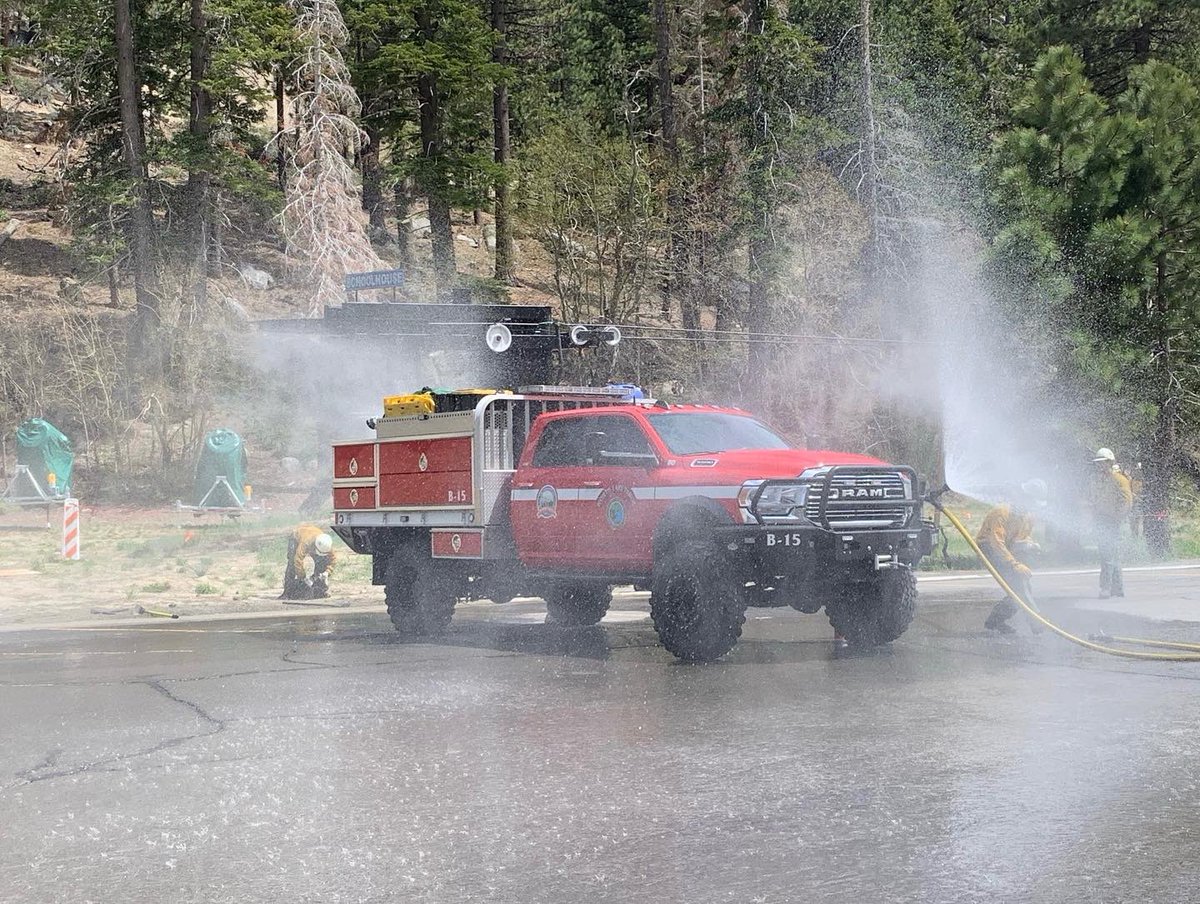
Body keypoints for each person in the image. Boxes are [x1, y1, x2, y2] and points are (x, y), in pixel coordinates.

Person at [977, 479, 1047, 635]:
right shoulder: (1002, 512)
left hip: (1006, 548)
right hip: (989, 548)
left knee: (1021, 587)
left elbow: (1021, 538)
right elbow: (996, 542)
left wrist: (1031, 545)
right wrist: (1014, 564)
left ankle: (995, 621)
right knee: (1019, 585)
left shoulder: (1028, 516)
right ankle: (1036, 622)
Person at [1091, 448, 1133, 599]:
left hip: (1112, 522)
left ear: (1109, 462)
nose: (1099, 466)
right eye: (1098, 464)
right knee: (1111, 555)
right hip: (1103, 521)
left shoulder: (1119, 479)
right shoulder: (1102, 480)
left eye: (1102, 463)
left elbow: (1127, 501)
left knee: (1108, 555)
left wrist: (1117, 517)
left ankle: (1106, 588)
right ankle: (1118, 589)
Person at [282, 523, 336, 600]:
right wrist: (303, 578)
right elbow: (298, 560)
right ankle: (287, 593)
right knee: (292, 563)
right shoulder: (306, 543)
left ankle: (318, 591)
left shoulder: (327, 544)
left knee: (322, 562)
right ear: (315, 546)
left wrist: (327, 572)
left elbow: (333, 560)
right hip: (296, 537)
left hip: (313, 536)